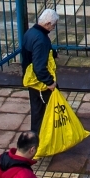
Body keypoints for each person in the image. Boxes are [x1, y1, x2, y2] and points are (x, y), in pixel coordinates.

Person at [21, 9, 59, 137]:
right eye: (53, 25)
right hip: (40, 82)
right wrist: (49, 82)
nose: (53, 28)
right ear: (47, 23)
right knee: (46, 110)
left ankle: (36, 137)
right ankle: (41, 138)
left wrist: (52, 53)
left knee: (36, 110)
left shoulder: (30, 33)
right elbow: (39, 66)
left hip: (31, 79)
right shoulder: (41, 40)